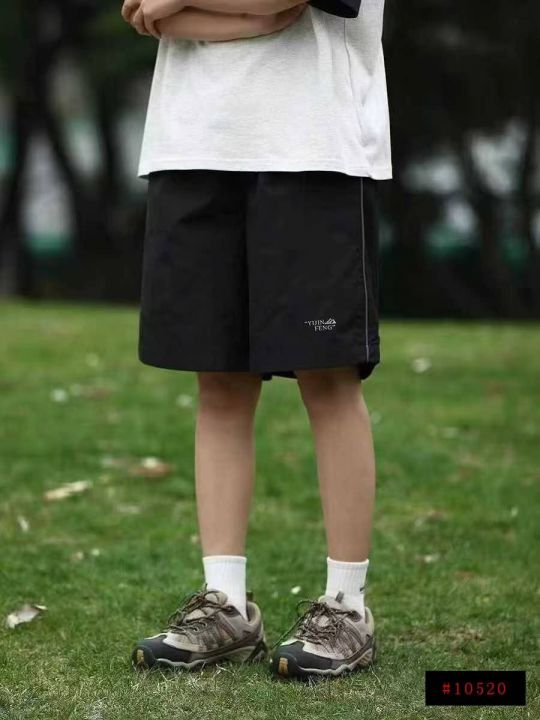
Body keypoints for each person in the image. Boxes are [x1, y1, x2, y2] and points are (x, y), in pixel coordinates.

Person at [122, 0, 391, 681]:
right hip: (192, 144)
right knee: (218, 383)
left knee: (328, 379)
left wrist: (186, 3)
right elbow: (145, 12)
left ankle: (347, 609)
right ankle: (226, 606)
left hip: (314, 147)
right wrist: (235, 15)